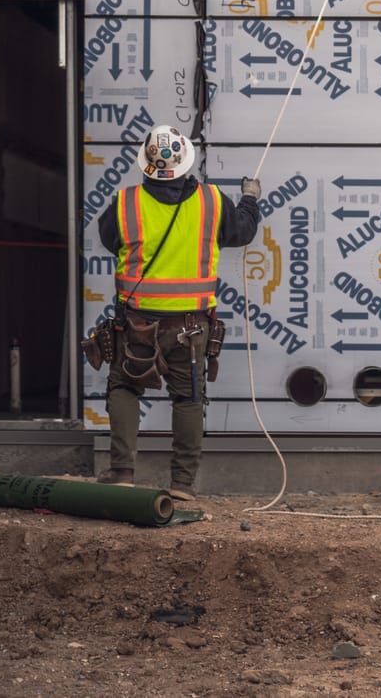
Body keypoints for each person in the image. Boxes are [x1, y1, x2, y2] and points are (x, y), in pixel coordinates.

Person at [93, 124, 261, 501]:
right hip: (190, 326)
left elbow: (110, 239)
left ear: (146, 164)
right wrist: (250, 198)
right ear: (186, 162)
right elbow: (242, 232)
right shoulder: (213, 202)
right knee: (187, 398)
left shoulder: (125, 204)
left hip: (137, 322)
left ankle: (122, 472)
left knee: (125, 387)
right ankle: (182, 484)